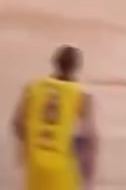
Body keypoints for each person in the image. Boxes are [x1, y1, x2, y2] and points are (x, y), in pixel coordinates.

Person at [12, 46, 98, 190]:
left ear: (54, 62)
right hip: (63, 169)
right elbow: (90, 137)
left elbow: (17, 123)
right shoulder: (81, 95)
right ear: (77, 67)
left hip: (35, 166)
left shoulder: (33, 87)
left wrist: (27, 149)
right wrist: (89, 175)